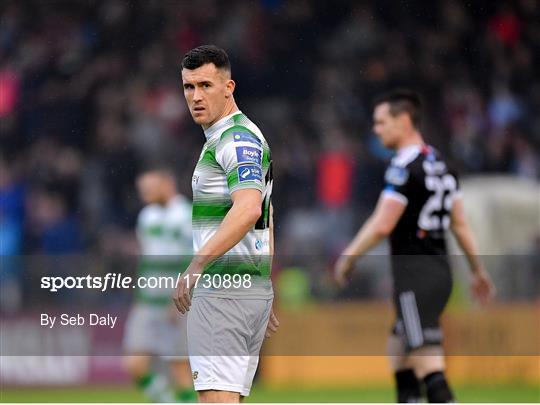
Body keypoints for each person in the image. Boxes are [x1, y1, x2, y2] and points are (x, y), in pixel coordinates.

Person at [334, 89, 495, 403]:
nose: (376, 129)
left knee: (428, 361)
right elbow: (459, 223)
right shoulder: (441, 164)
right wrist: (478, 270)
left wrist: (348, 258)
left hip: (414, 277)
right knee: (398, 350)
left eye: (381, 122)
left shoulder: (403, 168)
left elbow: (382, 223)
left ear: (404, 121)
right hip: (440, 273)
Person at [173, 45, 279, 403]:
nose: (195, 96)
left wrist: (198, 263)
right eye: (189, 87)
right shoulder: (237, 136)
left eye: (205, 85)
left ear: (228, 87)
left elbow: (249, 209)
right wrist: (262, 281)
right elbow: (267, 214)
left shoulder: (235, 138)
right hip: (245, 288)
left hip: (222, 292)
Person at [123, 169, 196, 402]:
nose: (145, 194)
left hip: (178, 299)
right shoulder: (146, 217)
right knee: (134, 364)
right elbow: (146, 258)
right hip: (148, 300)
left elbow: (193, 257)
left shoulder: (186, 214)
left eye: (149, 188)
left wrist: (179, 296)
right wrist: (139, 294)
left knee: (180, 366)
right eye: (142, 190)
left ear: (167, 184)